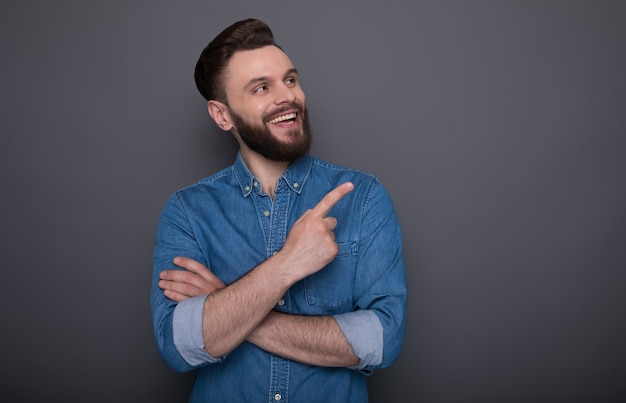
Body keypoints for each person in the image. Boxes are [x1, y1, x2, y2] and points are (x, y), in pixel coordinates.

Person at [150, 18, 407, 402]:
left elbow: (382, 341)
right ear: (222, 115)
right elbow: (180, 347)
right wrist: (289, 263)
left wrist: (228, 305)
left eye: (290, 80)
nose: (286, 96)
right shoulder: (188, 211)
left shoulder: (363, 196)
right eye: (261, 88)